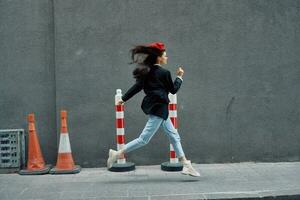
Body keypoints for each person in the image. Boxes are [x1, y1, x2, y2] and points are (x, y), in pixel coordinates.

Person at [107, 42, 200, 177]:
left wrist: (124, 98)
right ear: (159, 58)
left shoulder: (147, 72)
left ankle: (185, 164)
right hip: (159, 109)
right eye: (165, 56)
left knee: (174, 135)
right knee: (144, 139)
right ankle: (117, 154)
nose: (167, 58)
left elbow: (137, 87)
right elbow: (173, 90)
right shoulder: (165, 73)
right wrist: (179, 77)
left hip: (158, 108)